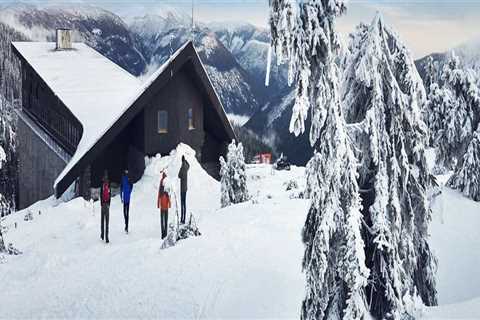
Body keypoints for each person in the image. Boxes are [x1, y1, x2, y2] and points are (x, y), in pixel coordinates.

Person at [157, 172, 171, 239]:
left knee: (162, 219)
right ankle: (165, 233)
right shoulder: (167, 182)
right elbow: (169, 194)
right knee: (166, 218)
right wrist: (170, 203)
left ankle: (163, 233)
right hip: (166, 204)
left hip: (162, 204)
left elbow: (159, 193)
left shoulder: (162, 181)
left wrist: (158, 203)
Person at [120, 169, 133, 234]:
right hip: (126, 197)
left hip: (127, 197)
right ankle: (126, 224)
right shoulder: (125, 178)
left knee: (126, 212)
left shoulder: (127, 178)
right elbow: (121, 187)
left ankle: (126, 226)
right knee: (125, 212)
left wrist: (129, 192)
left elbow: (131, 185)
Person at [178, 156, 190, 224]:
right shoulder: (186, 166)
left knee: (182, 204)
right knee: (184, 204)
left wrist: (181, 166)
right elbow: (189, 165)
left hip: (182, 188)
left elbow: (179, 175)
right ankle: (183, 218)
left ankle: (182, 219)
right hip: (185, 188)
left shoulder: (182, 168)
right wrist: (186, 161)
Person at [100, 171, 111, 244]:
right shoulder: (108, 186)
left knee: (102, 221)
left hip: (103, 204)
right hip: (107, 205)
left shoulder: (102, 186)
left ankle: (102, 235)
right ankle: (107, 237)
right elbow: (110, 195)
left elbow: (101, 195)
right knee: (107, 222)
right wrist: (109, 204)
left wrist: (101, 203)